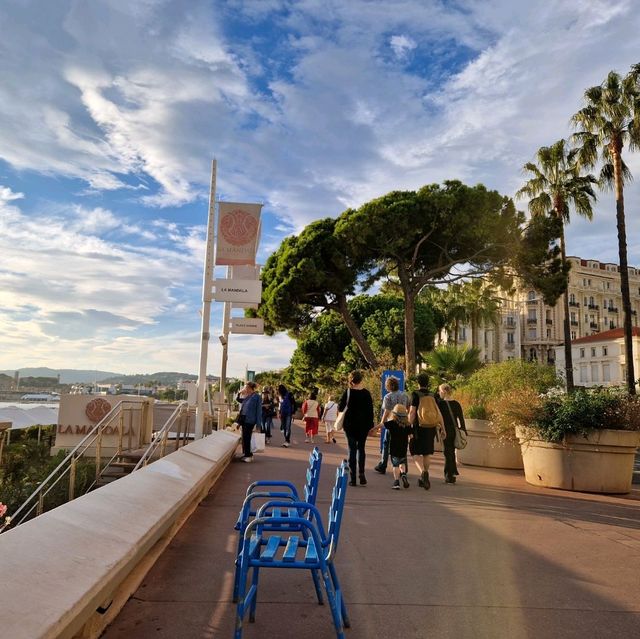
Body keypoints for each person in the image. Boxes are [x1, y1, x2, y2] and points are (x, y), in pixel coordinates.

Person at [408, 373, 446, 490]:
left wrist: (408, 425)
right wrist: (443, 428)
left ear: (418, 383)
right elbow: (438, 413)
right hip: (431, 427)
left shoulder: (415, 394)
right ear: (428, 382)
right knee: (426, 453)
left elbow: (412, 412)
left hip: (418, 428)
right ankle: (425, 475)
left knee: (414, 451)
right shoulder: (433, 395)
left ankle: (423, 473)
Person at [338, 370, 374, 486]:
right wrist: (370, 426)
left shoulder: (348, 392)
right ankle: (362, 473)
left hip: (349, 425)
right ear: (361, 380)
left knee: (351, 449)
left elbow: (340, 407)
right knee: (361, 449)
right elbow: (370, 411)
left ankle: (353, 478)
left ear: (351, 381)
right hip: (363, 426)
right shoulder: (366, 393)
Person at [374, 376, 410, 475]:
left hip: (392, 423)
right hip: (403, 423)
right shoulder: (405, 395)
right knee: (403, 445)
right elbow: (408, 408)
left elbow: (387, 411)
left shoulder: (388, 397)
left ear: (390, 386)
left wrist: (382, 423)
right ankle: (404, 467)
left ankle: (383, 465)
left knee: (386, 444)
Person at [437, 383, 467, 484]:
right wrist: (463, 430)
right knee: (452, 452)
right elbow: (461, 418)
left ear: (444, 392)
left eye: (440, 391)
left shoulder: (440, 404)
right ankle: (453, 473)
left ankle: (448, 475)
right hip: (454, 430)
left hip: (445, 430)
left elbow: (439, 419)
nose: (439, 393)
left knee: (447, 452)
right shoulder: (456, 404)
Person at [384, 404, 412, 490]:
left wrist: (373, 429)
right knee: (402, 463)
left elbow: (382, 425)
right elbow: (411, 436)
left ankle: (396, 482)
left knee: (395, 465)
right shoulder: (407, 424)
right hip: (403, 447)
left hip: (394, 448)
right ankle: (403, 474)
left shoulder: (392, 423)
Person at [237, 382, 262, 462]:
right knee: (244, 437)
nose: (245, 389)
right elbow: (238, 400)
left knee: (247, 437)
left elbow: (259, 411)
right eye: (245, 388)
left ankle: (248, 455)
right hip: (244, 419)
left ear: (251, 388)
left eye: (246, 388)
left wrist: (258, 425)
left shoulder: (257, 397)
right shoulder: (247, 397)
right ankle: (247, 454)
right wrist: (239, 393)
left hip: (250, 420)